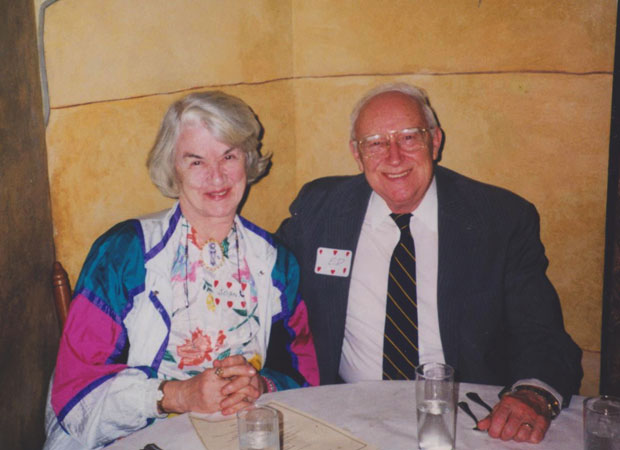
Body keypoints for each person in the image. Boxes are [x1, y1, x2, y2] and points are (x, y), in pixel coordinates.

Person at [276, 82, 582, 444]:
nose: (393, 157)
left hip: (467, 417)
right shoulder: (320, 210)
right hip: (347, 413)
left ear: (435, 141)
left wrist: (533, 394)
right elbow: (266, 287)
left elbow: (541, 332)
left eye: (409, 138)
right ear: (357, 155)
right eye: (375, 143)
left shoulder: (500, 219)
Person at [44, 91, 319, 449]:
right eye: (196, 162)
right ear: (172, 168)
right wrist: (177, 395)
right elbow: (76, 394)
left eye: (229, 156)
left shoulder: (276, 261)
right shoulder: (124, 253)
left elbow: (303, 371)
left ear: (247, 161)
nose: (216, 177)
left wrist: (261, 384)